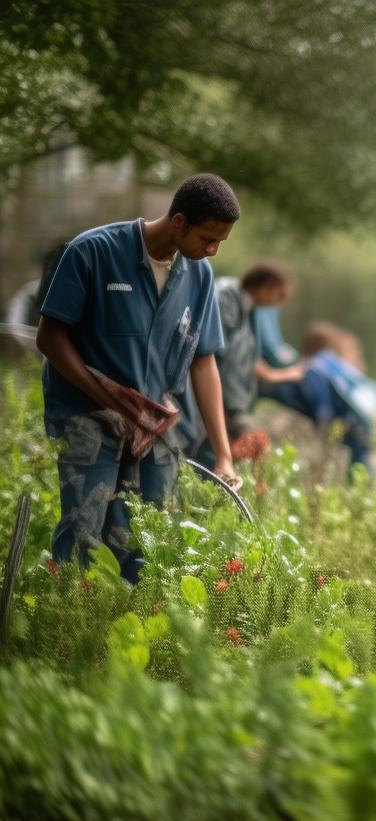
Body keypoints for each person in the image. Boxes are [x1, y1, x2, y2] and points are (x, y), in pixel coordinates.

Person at [35, 173, 239, 583]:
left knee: (148, 537)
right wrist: (110, 401)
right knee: (82, 537)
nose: (213, 251)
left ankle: (124, 630)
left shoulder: (198, 275)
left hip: (154, 421)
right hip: (88, 413)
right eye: (207, 238)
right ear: (179, 221)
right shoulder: (93, 252)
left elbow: (203, 362)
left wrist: (224, 453)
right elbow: (50, 338)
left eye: (221, 242)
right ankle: (68, 627)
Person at [176, 261, 295, 466]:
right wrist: (229, 407)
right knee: (203, 455)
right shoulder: (224, 299)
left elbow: (244, 359)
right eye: (279, 296)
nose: (278, 304)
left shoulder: (250, 309)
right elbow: (215, 356)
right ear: (267, 287)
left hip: (229, 400)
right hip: (209, 398)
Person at [259, 321, 376, 474]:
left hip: (353, 423)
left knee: (358, 466)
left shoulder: (315, 370)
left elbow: (323, 409)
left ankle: (362, 490)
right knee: (361, 463)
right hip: (364, 418)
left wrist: (323, 445)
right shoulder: (329, 363)